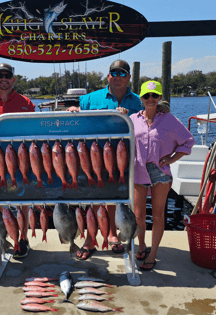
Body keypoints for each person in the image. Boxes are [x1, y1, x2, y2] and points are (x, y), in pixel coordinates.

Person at [67, 59, 143, 260]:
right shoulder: (90, 99)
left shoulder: (138, 101)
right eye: (114, 73)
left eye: (122, 74)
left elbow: (149, 119)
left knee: (114, 197)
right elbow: (76, 121)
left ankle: (110, 234)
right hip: (91, 156)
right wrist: (73, 111)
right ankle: (90, 239)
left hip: (123, 157)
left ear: (128, 77)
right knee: (92, 197)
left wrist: (160, 109)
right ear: (108, 76)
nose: (117, 78)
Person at [130, 80, 195, 271]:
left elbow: (188, 141)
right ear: (141, 98)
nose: (150, 99)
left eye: (154, 95)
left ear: (159, 98)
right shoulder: (133, 119)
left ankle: (153, 253)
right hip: (139, 169)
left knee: (158, 214)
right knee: (139, 214)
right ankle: (141, 245)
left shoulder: (169, 120)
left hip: (160, 172)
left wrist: (172, 158)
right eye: (146, 96)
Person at [0, 63, 35, 259]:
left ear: (13, 79)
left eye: (7, 75)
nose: (3, 78)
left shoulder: (26, 103)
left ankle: (24, 238)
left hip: (20, 162)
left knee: (24, 202)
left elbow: (36, 130)